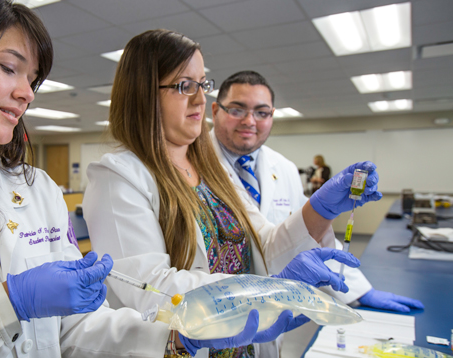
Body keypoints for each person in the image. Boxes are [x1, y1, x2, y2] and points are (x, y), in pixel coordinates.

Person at [0, 3, 299, 357]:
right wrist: (3, 308)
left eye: (34, 79)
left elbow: (73, 330)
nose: (26, 92)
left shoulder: (37, 189)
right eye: (10, 68)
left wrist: (173, 337)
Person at [83, 29, 378, 358]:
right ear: (144, 94)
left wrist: (320, 209)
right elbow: (154, 290)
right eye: (184, 86)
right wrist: (265, 292)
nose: (199, 99)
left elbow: (264, 243)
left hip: (245, 343)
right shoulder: (117, 177)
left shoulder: (211, 167)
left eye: (202, 84)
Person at [210, 70, 424, 312]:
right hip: (216, 307)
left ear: (271, 116)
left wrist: (360, 290)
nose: (249, 121)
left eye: (261, 112)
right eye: (237, 110)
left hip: (277, 306)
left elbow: (309, 236)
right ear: (216, 111)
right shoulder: (188, 165)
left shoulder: (284, 168)